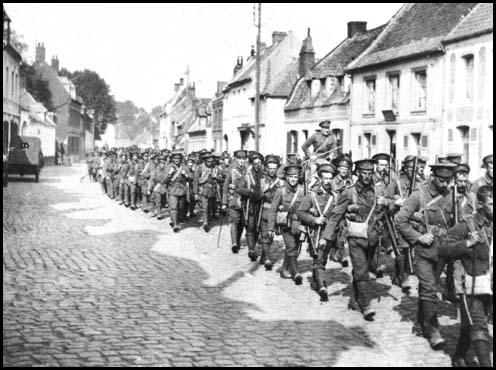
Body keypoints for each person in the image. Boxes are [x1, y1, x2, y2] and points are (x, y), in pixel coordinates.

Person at [396, 163, 456, 349]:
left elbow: (456, 223)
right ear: (433, 176)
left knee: (427, 288)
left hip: (442, 252)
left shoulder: (451, 196)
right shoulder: (418, 195)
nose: (445, 185)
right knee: (430, 288)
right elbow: (400, 220)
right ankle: (432, 329)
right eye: (441, 180)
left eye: (448, 181)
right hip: (423, 252)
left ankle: (422, 323)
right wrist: (418, 237)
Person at [322, 159, 389, 320]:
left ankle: (354, 299)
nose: (367, 176)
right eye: (363, 173)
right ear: (357, 173)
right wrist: (326, 237)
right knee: (361, 271)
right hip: (356, 238)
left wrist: (387, 202)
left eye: (369, 173)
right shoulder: (349, 192)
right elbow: (336, 215)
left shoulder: (379, 190)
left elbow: (391, 206)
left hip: (373, 237)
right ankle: (366, 305)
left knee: (363, 269)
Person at [439, 185, 493, 367]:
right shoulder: (466, 225)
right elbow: (444, 249)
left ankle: (459, 355)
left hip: (489, 283)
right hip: (469, 283)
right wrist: (467, 243)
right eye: (492, 204)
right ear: (480, 204)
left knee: (469, 323)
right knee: (478, 324)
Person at [297, 163, 338, 301]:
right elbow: (300, 213)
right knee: (319, 258)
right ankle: (322, 287)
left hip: (330, 232)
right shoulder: (312, 196)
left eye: (330, 178)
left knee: (323, 257)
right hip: (316, 232)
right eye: (325, 178)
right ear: (320, 179)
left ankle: (316, 280)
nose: (327, 181)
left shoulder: (336, 196)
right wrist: (314, 220)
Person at [268, 165, 305, 284]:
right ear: (287, 178)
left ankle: (284, 269)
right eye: (291, 177)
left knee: (295, 248)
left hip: (299, 224)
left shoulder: (303, 190)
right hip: (286, 224)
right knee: (290, 247)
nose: (293, 179)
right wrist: (270, 228)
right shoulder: (281, 191)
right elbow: (273, 210)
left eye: (295, 176)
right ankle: (296, 273)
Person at [258, 154, 285, 270]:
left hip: (277, 213)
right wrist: (263, 191)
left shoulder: (281, 182)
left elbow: (284, 196)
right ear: (267, 169)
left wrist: (282, 205)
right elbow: (256, 196)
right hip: (265, 210)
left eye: (275, 169)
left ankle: (264, 255)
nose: (273, 171)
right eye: (270, 169)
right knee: (266, 235)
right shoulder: (262, 181)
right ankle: (268, 258)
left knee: (271, 236)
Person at [237, 151, 265, 262]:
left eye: (259, 163)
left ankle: (253, 246)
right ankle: (251, 249)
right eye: (255, 163)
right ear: (252, 164)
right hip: (250, 204)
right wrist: (249, 192)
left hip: (261, 204)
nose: (257, 165)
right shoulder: (247, 175)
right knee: (250, 226)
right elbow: (240, 189)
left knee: (258, 228)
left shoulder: (264, 174)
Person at [222, 150, 248, 254]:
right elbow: (225, 187)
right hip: (233, 200)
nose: (241, 161)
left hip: (245, 201)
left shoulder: (248, 170)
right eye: (239, 159)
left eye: (243, 159)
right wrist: (224, 203)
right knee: (234, 221)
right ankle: (234, 243)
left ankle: (237, 241)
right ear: (236, 159)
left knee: (241, 222)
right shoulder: (231, 171)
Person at [166, 151, 193, 232]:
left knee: (181, 208)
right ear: (172, 159)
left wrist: (186, 175)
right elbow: (163, 180)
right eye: (175, 158)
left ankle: (175, 219)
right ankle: (175, 224)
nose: (177, 160)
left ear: (181, 159)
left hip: (182, 190)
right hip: (173, 190)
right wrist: (169, 174)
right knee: (174, 207)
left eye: (178, 158)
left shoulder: (184, 167)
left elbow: (191, 178)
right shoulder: (168, 167)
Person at [194, 153, 220, 232]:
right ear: (205, 161)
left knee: (210, 206)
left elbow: (220, 179)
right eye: (208, 161)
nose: (210, 163)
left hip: (212, 190)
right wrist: (195, 193)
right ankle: (205, 223)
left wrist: (217, 177)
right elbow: (195, 181)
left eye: (211, 161)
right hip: (203, 189)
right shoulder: (200, 168)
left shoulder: (215, 168)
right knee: (204, 207)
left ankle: (208, 218)